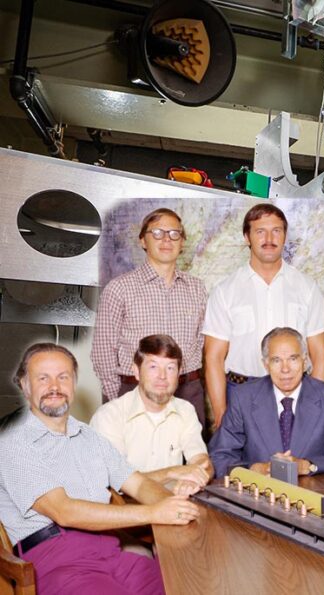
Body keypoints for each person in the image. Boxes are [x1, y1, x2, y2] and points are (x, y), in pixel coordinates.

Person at [0, 343, 200, 594]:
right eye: (43, 378)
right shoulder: (13, 441)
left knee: (180, 584)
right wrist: (154, 513)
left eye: (63, 377)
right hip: (57, 559)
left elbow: (137, 483)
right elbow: (64, 511)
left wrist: (175, 507)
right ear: (24, 386)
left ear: (74, 383)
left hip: (109, 548)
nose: (54, 387)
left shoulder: (89, 436)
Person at [203, 203, 324, 430]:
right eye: (260, 231)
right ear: (246, 237)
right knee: (246, 466)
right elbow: (213, 358)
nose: (269, 238)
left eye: (276, 231)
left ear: (285, 236)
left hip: (297, 394)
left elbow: (319, 356)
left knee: (293, 463)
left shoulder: (307, 289)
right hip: (241, 394)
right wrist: (222, 413)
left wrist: (317, 409)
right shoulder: (225, 291)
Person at [91, 207, 208, 426]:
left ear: (182, 242)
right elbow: (103, 351)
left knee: (189, 458)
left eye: (174, 233)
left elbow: (201, 342)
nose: (166, 239)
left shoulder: (197, 288)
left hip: (186, 392)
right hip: (134, 390)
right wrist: (119, 400)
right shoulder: (119, 288)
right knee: (135, 459)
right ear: (143, 241)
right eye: (157, 233)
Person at [209, 327, 324, 478]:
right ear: (265, 364)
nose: (285, 369)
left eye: (293, 359)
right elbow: (219, 457)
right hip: (258, 495)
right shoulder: (243, 397)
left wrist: (308, 466)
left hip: (313, 494)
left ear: (305, 360)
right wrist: (253, 470)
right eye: (276, 360)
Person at [90, 334, 213, 492]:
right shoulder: (109, 415)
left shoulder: (186, 410)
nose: (162, 376)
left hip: (172, 504)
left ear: (179, 373)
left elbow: (203, 463)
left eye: (170, 368)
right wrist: (172, 473)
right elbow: (114, 481)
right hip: (124, 508)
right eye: (153, 366)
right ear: (136, 371)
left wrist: (193, 479)